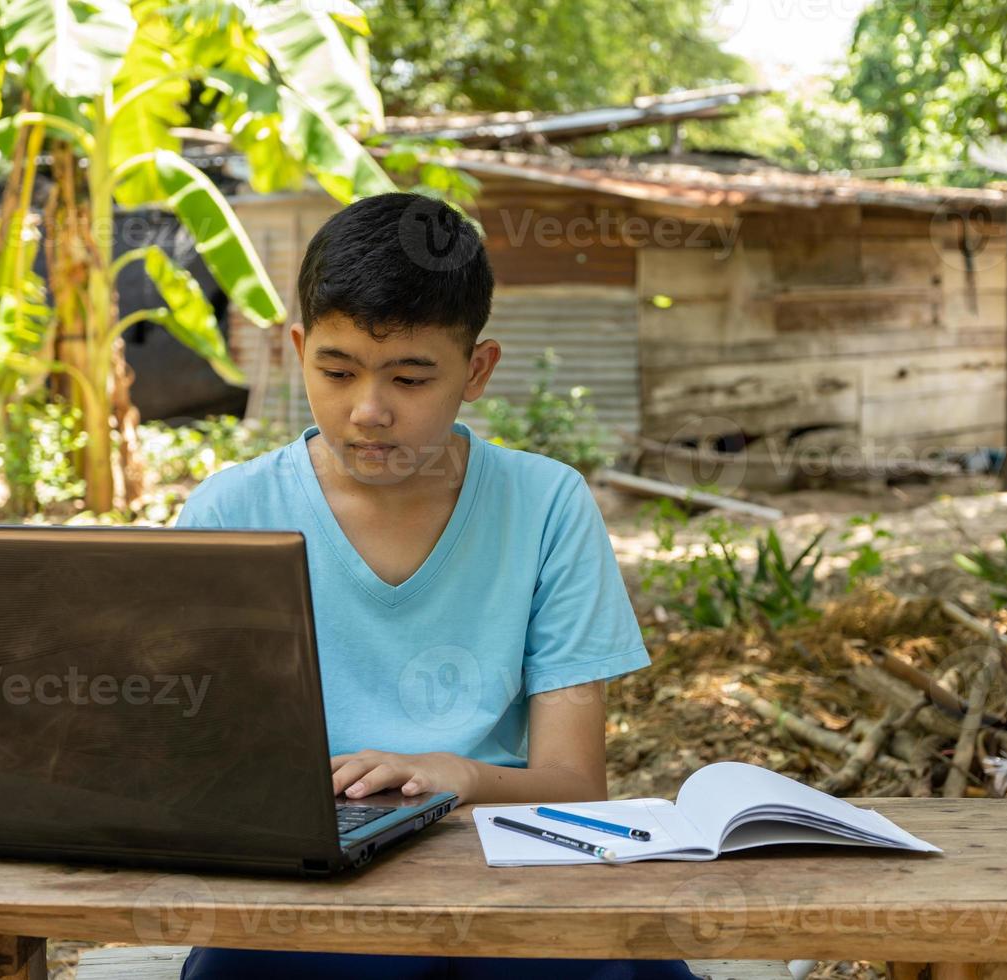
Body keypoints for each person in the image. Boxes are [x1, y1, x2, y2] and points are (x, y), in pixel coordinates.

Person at [175, 192, 697, 980]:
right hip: (309, 888)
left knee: (607, 967)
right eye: (337, 370)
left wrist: (462, 778)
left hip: (505, 863)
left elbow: (574, 782)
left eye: (411, 378)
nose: (369, 411)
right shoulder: (232, 511)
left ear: (477, 370)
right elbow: (187, 762)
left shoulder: (546, 505)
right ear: (295, 349)